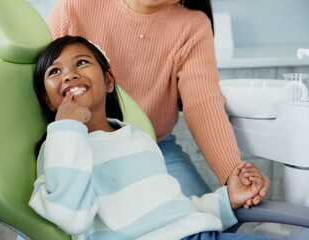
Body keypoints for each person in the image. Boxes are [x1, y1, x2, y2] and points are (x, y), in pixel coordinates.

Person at [28, 35, 270, 240]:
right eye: (55, 71)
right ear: (48, 100)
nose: (69, 74)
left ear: (109, 81)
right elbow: (72, 217)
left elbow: (172, 209)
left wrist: (227, 199)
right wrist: (67, 127)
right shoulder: (60, 148)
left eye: (81, 62)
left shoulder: (138, 138)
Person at [46, 0, 270, 203]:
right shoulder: (73, 8)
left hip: (155, 147)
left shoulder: (192, 25)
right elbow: (39, 85)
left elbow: (203, 103)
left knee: (205, 220)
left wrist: (232, 172)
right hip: (80, 144)